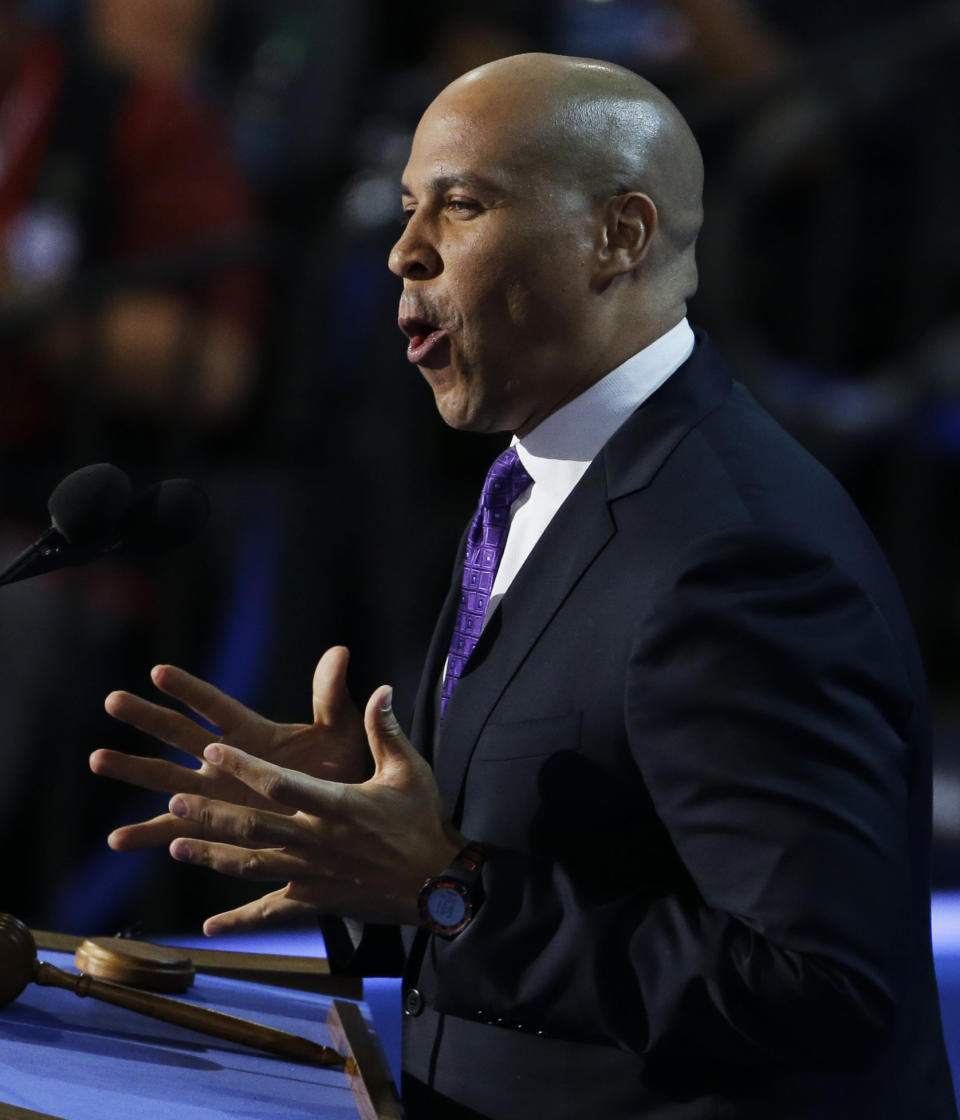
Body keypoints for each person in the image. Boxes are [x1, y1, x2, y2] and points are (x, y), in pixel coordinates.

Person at [89, 52, 957, 1119]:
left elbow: (827, 985)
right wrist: (364, 826)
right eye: (410, 208)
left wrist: (446, 889)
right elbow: (588, 840)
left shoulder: (741, 551)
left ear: (618, 237)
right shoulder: (536, 473)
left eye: (462, 206)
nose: (405, 250)